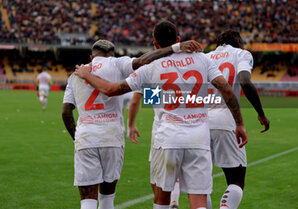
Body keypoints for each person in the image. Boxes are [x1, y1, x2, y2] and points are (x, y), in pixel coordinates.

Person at [74, 20, 248, 209]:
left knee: (162, 198)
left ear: (156, 45)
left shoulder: (151, 67)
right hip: (198, 138)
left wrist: (86, 74)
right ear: (178, 39)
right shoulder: (203, 59)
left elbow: (110, 90)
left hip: (167, 137)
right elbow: (228, 91)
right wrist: (239, 124)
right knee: (198, 201)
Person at [61, 39, 202, 209]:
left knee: (88, 201)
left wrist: (77, 138)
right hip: (111, 137)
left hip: (86, 137)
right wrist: (175, 47)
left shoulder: (76, 75)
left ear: (92, 56)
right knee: (107, 199)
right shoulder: (117, 63)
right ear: (111, 54)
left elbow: (65, 112)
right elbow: (142, 61)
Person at [207, 30, 270, 209]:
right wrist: (261, 113)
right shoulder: (242, 54)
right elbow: (244, 81)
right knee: (236, 180)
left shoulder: (206, 57)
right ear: (237, 41)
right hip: (226, 120)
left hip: (200, 122)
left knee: (200, 184)